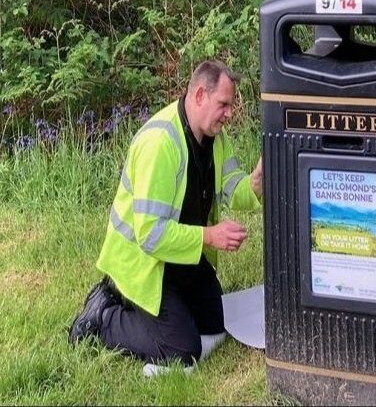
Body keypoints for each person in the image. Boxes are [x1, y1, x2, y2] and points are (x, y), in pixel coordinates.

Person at [68, 60, 263, 372]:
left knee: (215, 324)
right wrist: (210, 236)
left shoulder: (215, 138)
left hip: (179, 254)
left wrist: (257, 178)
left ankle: (163, 310)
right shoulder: (160, 143)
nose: (230, 114)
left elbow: (233, 188)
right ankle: (104, 316)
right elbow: (150, 235)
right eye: (223, 104)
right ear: (200, 95)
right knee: (182, 350)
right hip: (141, 264)